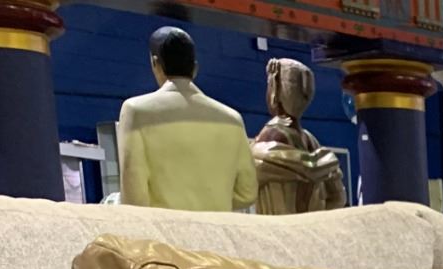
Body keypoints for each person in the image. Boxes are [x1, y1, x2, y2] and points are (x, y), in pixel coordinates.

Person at [118, 27, 257, 212]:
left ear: (155, 63)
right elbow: (247, 193)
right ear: (195, 68)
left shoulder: (137, 111)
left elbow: (134, 197)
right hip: (217, 227)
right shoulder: (233, 119)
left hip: (165, 228)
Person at [251, 59, 346, 215]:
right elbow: (338, 197)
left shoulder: (269, 137)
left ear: (276, 89)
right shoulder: (313, 143)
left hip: (278, 227)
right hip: (311, 228)